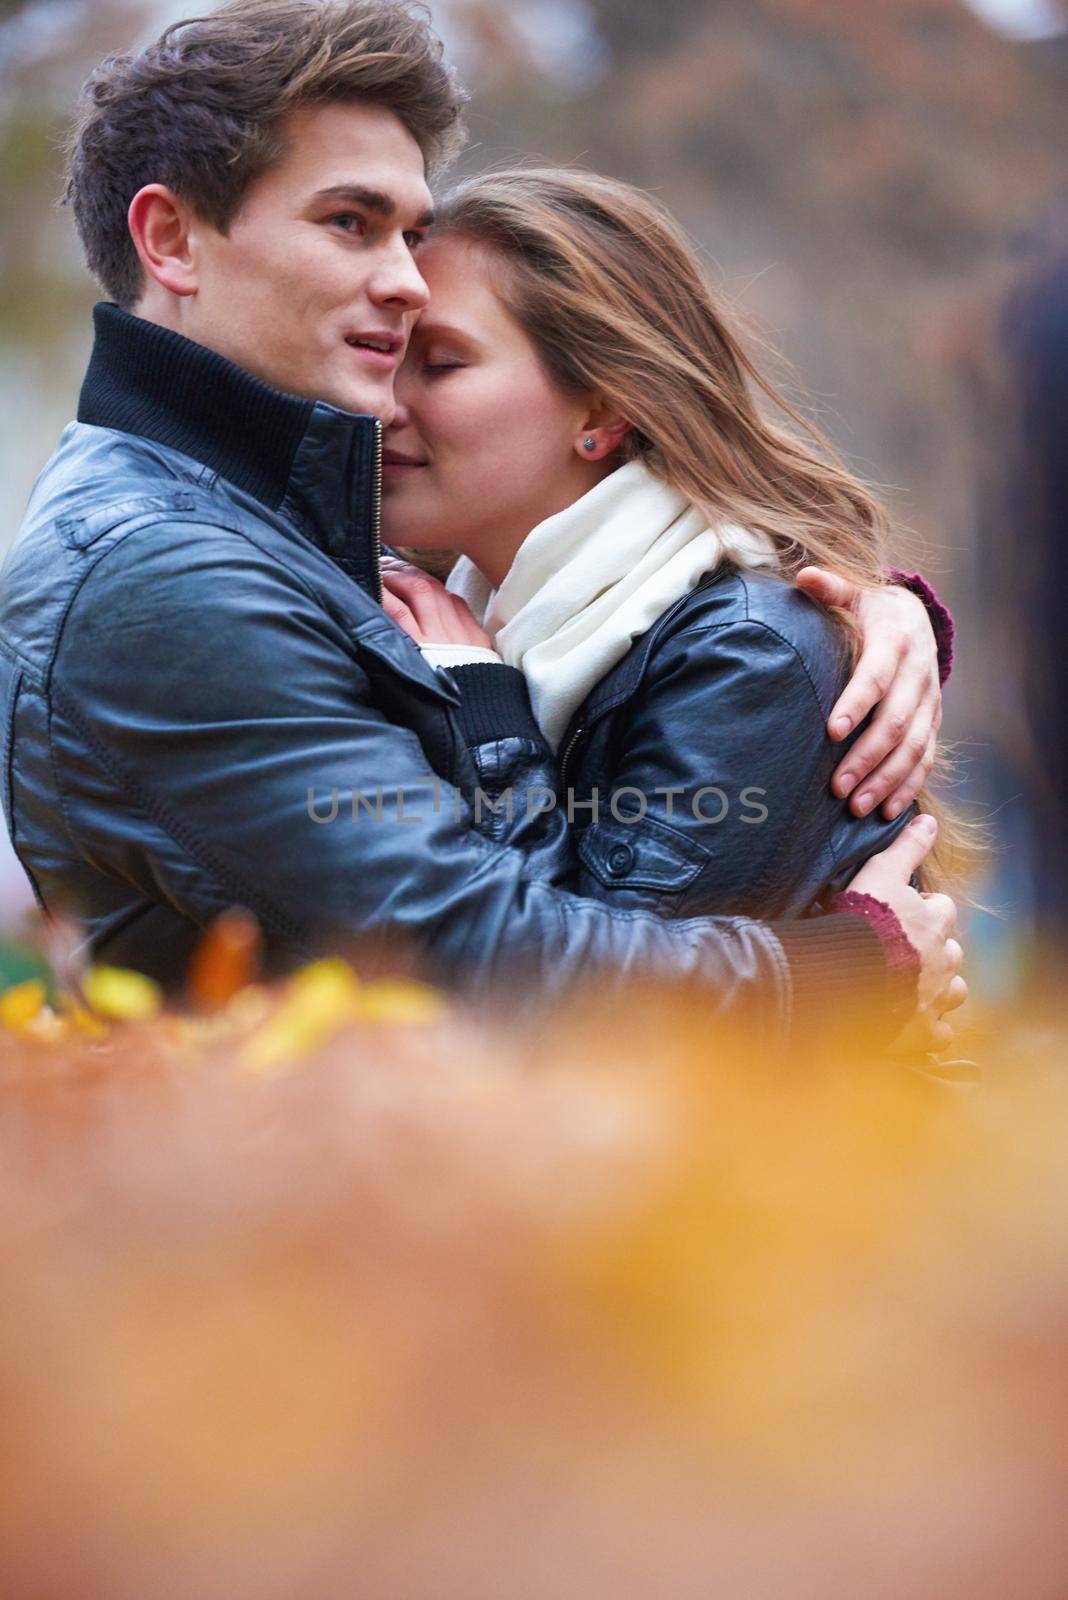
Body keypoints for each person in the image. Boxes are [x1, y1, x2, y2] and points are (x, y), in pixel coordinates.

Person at [0, 0, 962, 1045]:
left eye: (412, 234)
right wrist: (850, 970)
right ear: (172, 238)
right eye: (349, 223)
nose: (405, 282)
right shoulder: (166, 577)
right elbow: (483, 956)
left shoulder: (271, 522)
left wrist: (865, 605)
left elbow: (718, 610)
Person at [377, 168, 961, 928]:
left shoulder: (745, 656)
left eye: (442, 363)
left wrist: (489, 717)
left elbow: (592, 1011)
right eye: (386, 356)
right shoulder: (441, 611)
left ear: (604, 408)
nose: (383, 404)